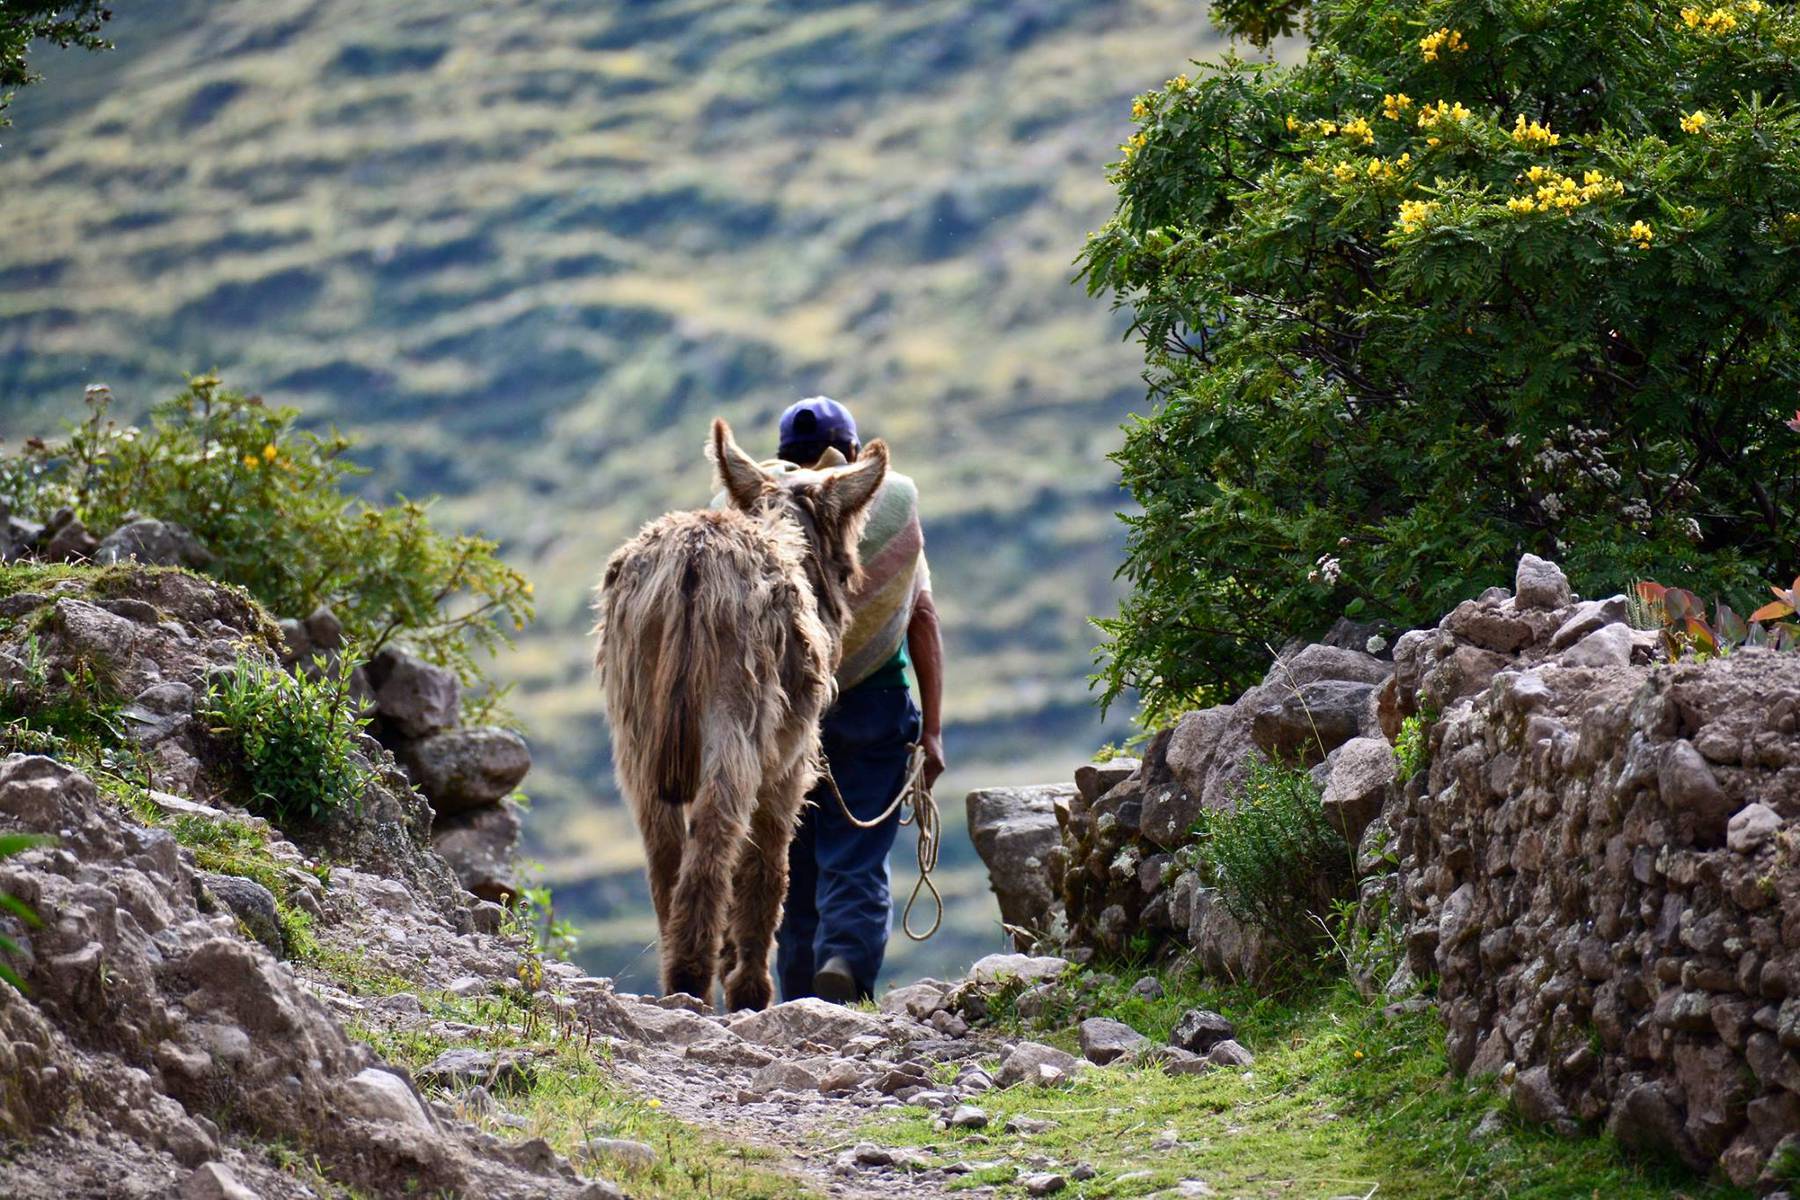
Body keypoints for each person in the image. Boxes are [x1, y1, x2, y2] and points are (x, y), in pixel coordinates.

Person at [765, 396, 945, 1003]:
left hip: (785, 714)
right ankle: (843, 962)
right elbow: (921, 618)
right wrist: (935, 732)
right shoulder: (886, 516)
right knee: (857, 857)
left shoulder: (764, 524)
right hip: (875, 707)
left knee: (792, 865)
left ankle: (793, 1004)